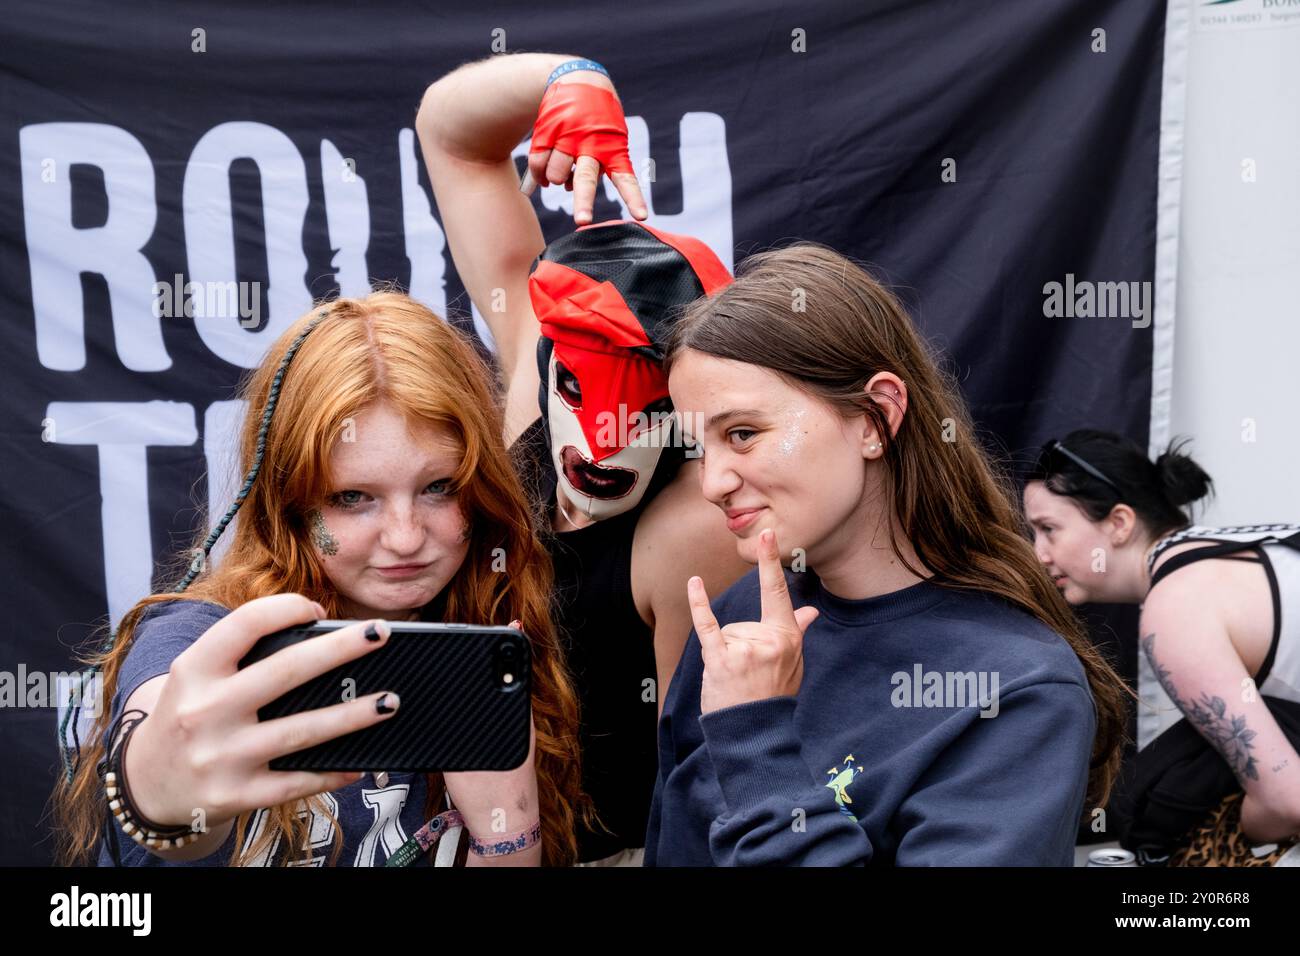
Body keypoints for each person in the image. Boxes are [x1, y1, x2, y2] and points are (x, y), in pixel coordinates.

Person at [52, 292, 589, 867]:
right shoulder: (200, 638)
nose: (405, 537)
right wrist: (161, 794)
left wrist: (507, 835)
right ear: (287, 504)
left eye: (439, 487)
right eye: (353, 498)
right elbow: (164, 711)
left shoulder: (497, 641)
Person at [645, 243, 1130, 866]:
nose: (713, 483)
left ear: (876, 417)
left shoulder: (1018, 688)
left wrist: (755, 736)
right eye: (699, 448)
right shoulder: (739, 620)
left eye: (743, 433)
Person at [416, 53, 750, 864]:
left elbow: (700, 792)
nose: (604, 442)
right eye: (580, 387)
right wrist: (569, 78)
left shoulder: (695, 528)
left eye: (644, 405)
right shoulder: (535, 359)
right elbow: (450, 135)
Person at [1023, 428, 1300, 860]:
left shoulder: (1176, 607)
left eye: (1049, 529)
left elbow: (1287, 801)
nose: (1038, 553)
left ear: (1119, 523)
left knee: (1158, 798)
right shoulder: (1226, 552)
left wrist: (1223, 838)